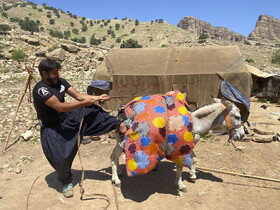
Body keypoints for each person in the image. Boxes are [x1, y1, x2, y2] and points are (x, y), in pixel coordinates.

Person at [32, 58, 127, 198]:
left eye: (58, 72)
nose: (57, 75)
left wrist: (96, 97)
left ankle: (117, 124)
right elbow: (59, 106)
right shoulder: (41, 90)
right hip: (53, 128)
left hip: (67, 119)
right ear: (44, 74)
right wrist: (83, 103)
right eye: (54, 73)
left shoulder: (61, 82)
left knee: (93, 109)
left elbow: (78, 96)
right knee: (62, 158)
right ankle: (66, 182)